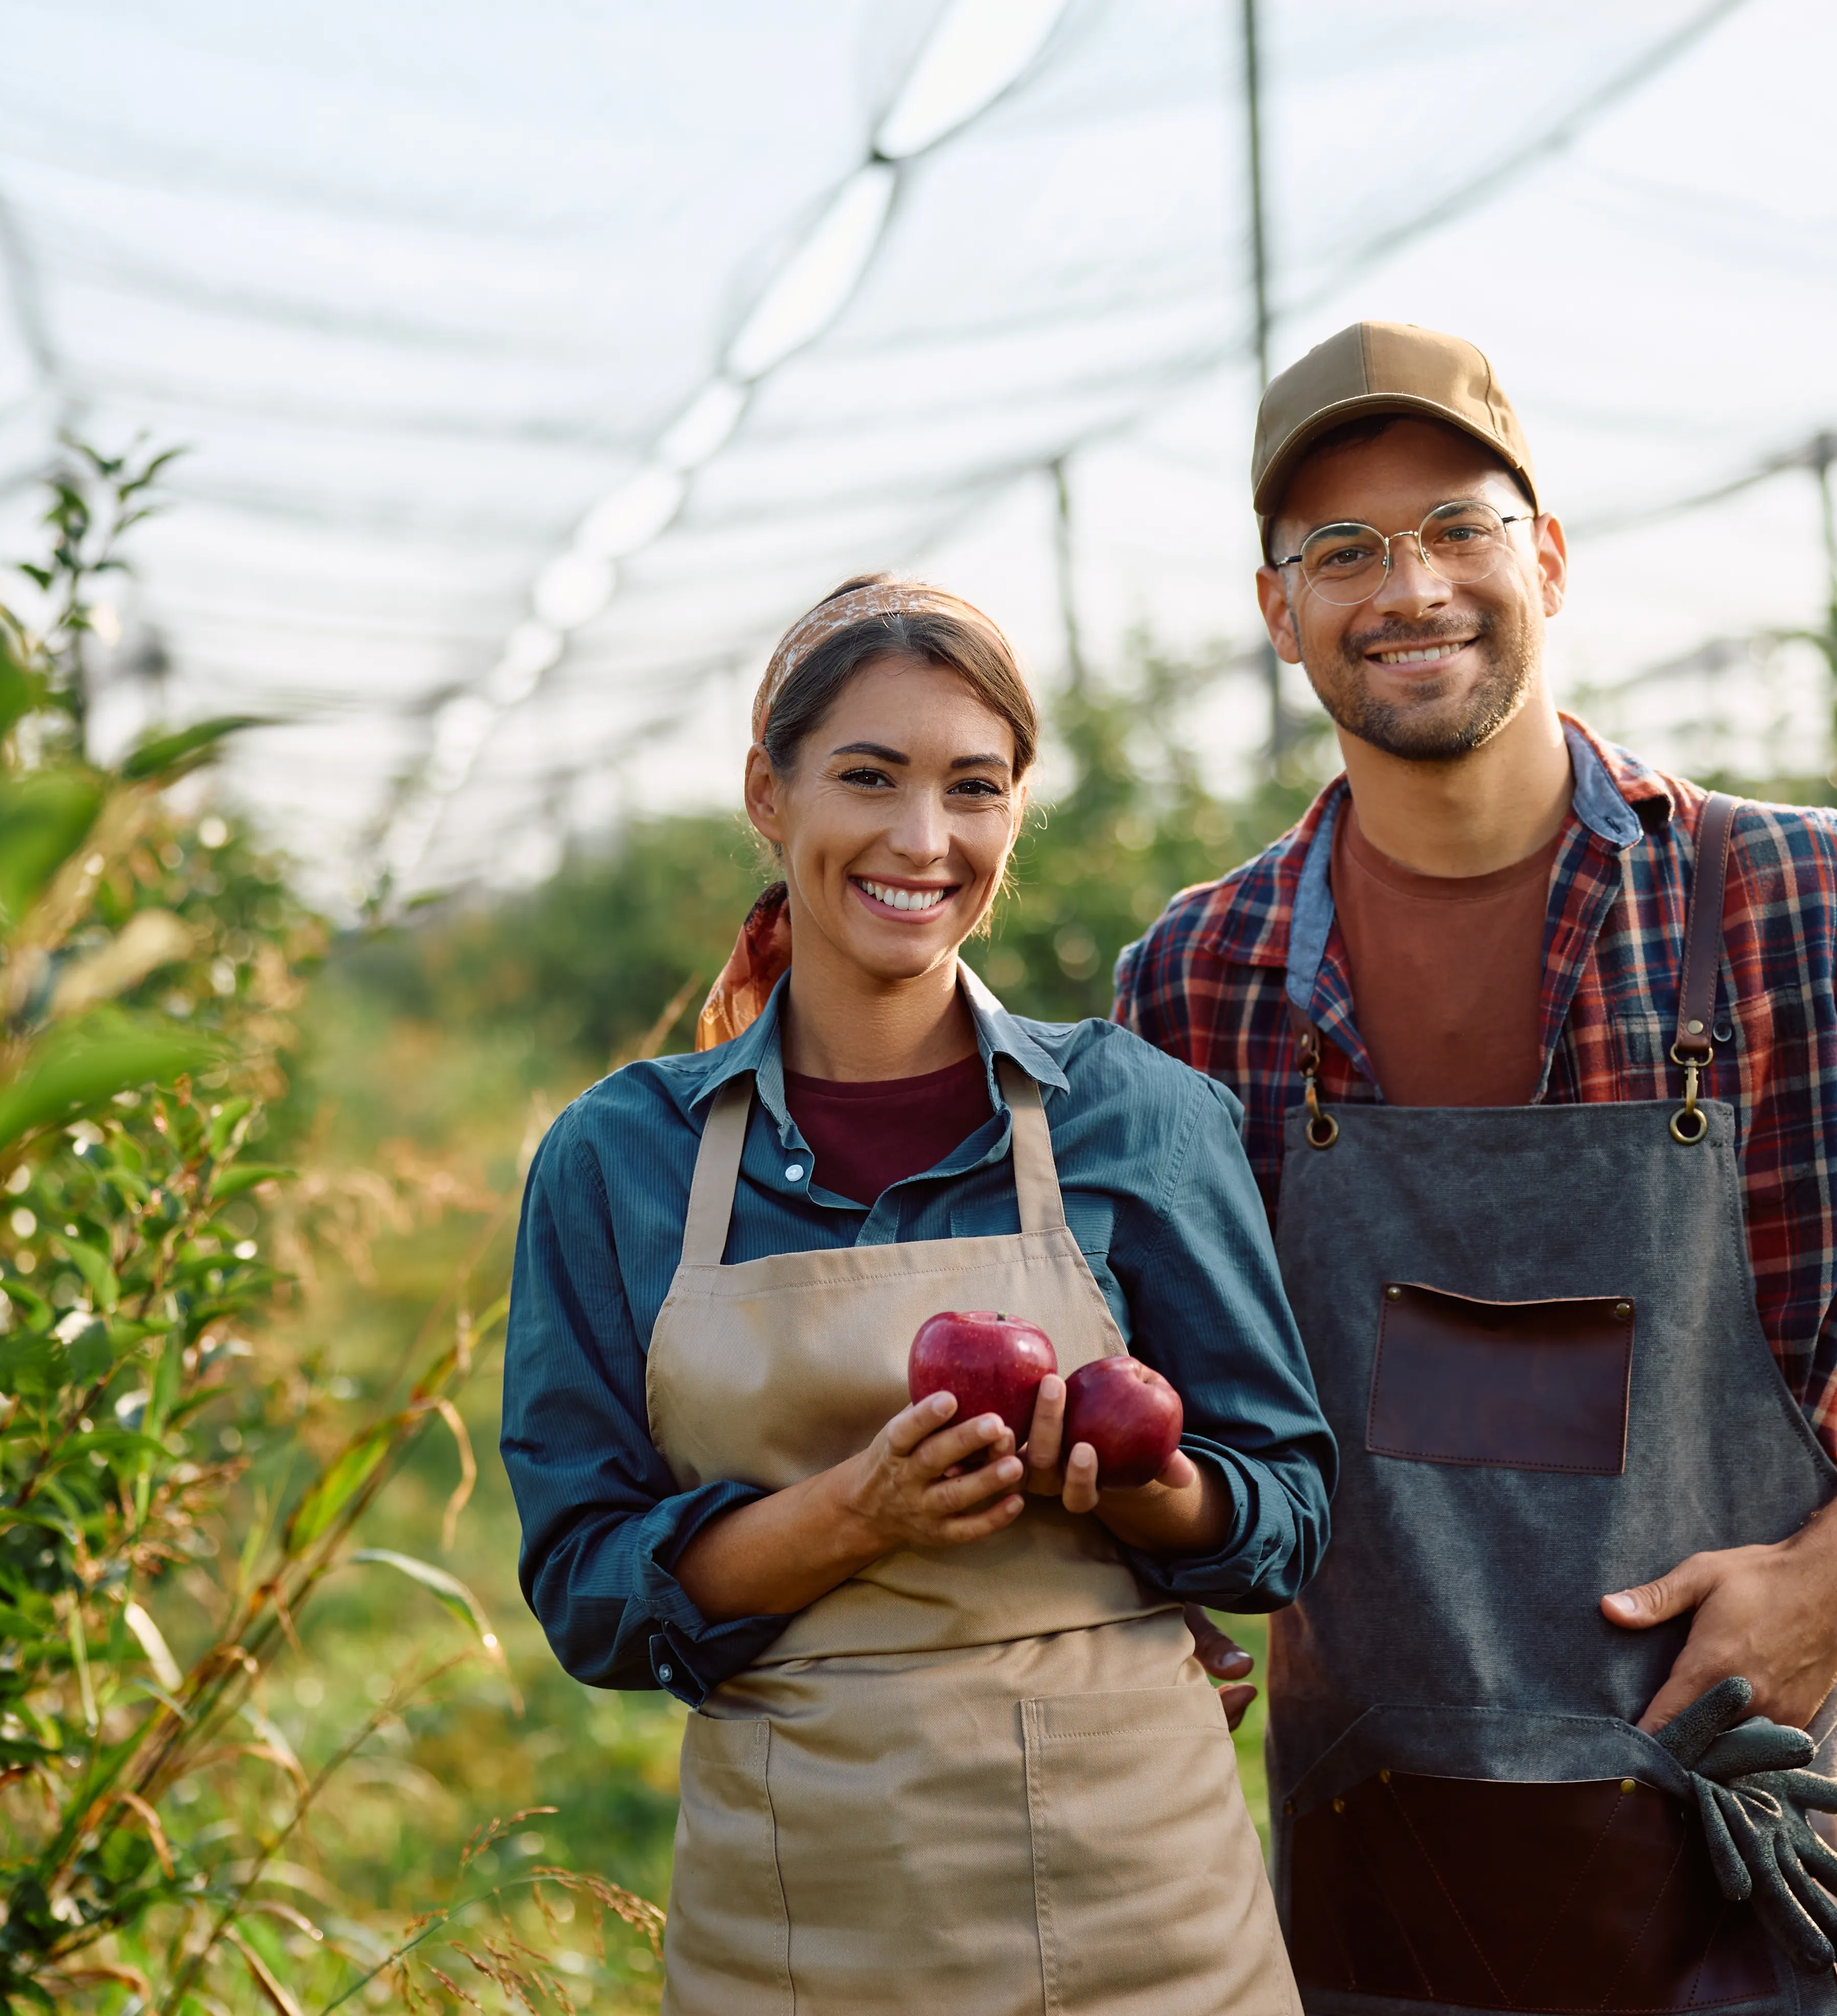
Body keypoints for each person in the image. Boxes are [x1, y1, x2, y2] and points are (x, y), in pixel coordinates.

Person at [1114, 323, 1837, 2014]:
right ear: (1278, 613)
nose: (1405, 584)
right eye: (1340, 551)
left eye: (1456, 527)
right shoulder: (1198, 982)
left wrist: (1835, 1574)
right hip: (1383, 1876)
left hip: (1754, 1851)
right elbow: (1156, 1385)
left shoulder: (1791, 901)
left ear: (1549, 560)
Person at [503, 576, 1330, 2015]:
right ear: (770, 793)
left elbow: (1286, 1516)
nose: (923, 839)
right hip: (799, 1929)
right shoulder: (618, 1161)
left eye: (975, 788)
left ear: (1017, 814)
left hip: (1146, 1924)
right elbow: (587, 1589)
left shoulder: (1138, 1119)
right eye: (868, 778)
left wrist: (1137, 1489)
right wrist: (852, 1517)